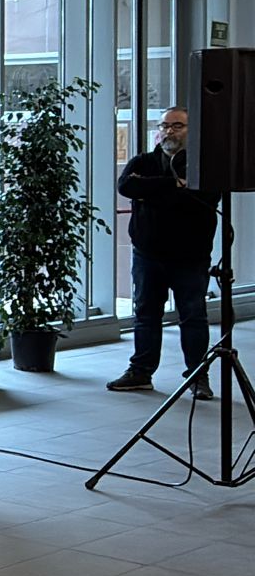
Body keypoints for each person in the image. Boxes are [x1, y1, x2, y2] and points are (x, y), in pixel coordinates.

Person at [110, 107, 220, 399]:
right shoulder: (143, 161)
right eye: (164, 126)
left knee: (193, 317)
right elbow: (127, 186)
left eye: (177, 126)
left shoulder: (203, 165)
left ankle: (197, 376)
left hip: (190, 257)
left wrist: (152, 193)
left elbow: (205, 197)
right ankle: (141, 372)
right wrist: (173, 184)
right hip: (148, 255)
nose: (169, 131)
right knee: (146, 314)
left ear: (191, 131)